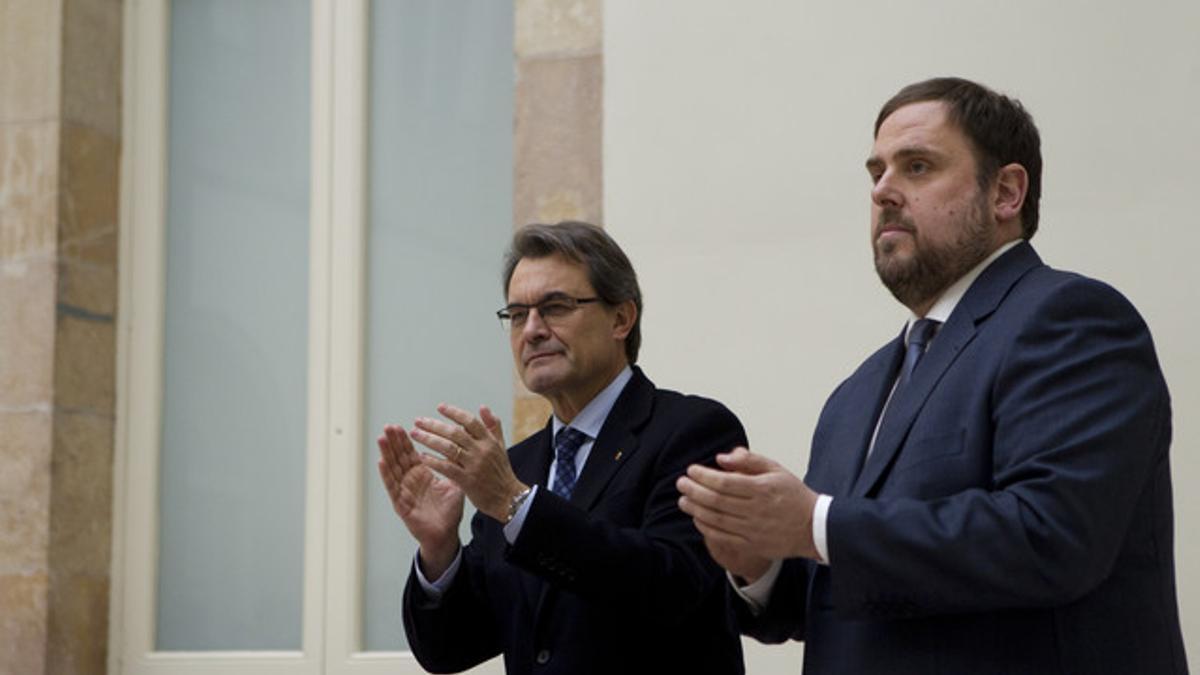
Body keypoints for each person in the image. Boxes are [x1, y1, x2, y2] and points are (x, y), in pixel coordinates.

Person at [676, 77, 1187, 674]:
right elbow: (834, 592)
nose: (885, 191)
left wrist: (815, 521)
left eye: (917, 167)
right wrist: (759, 562)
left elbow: (1052, 537)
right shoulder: (858, 391)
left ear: (1005, 192)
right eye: (876, 173)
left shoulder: (1071, 320)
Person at [377, 221, 746, 674]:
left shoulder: (694, 432)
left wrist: (515, 505)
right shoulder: (516, 466)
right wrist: (439, 551)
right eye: (516, 315)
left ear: (621, 318)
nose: (531, 330)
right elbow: (450, 649)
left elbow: (671, 588)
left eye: (554, 307)